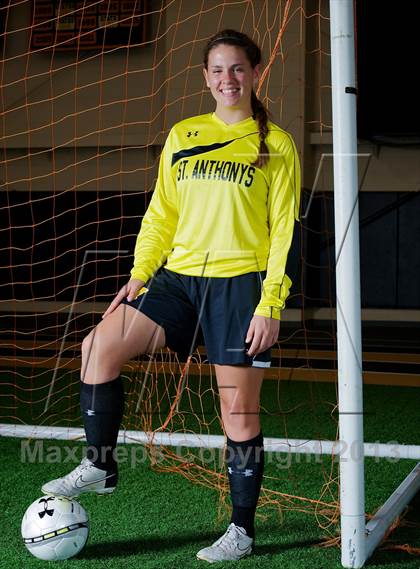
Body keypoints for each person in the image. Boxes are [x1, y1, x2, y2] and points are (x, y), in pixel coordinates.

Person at [41, 29, 300, 562]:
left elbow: (283, 232)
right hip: (178, 278)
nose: (228, 79)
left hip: (239, 285)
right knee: (97, 347)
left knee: (239, 414)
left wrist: (270, 302)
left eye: (237, 69)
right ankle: (100, 465)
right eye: (217, 70)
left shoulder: (275, 144)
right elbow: (162, 212)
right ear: (205, 77)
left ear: (254, 74)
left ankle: (241, 531)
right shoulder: (184, 135)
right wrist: (140, 273)